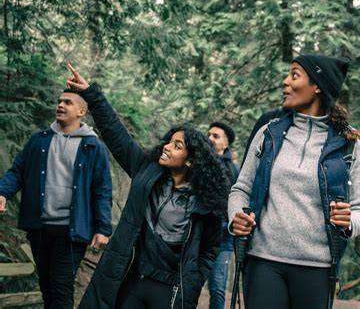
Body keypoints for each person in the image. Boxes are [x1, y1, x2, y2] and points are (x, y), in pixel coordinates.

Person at [65, 63, 230, 309]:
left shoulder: (205, 202)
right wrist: (92, 95)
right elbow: (116, 135)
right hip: (133, 279)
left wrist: (194, 280)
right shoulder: (146, 172)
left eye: (177, 146)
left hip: (171, 290)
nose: (166, 147)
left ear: (191, 161)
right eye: (169, 142)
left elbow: (210, 247)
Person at [228, 54, 360, 309]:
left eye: (294, 75)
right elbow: (241, 188)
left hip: (318, 267)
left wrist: (349, 222)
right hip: (263, 260)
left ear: (317, 85)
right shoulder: (268, 133)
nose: (285, 82)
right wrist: (236, 216)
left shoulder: (350, 146)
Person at [0, 89, 113, 308]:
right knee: (47, 288)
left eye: (68, 102)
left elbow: (102, 190)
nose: (60, 105)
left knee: (61, 288)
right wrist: (2, 192)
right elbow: (17, 172)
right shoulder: (39, 141)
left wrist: (103, 228)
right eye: (60, 101)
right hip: (40, 227)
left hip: (71, 231)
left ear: (81, 111)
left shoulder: (93, 147)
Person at [207, 122, 240, 309]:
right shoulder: (196, 164)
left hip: (223, 241)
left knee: (218, 288)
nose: (210, 138)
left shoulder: (234, 171)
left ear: (225, 144)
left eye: (216, 136)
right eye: (209, 134)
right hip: (195, 238)